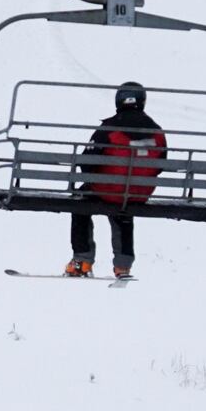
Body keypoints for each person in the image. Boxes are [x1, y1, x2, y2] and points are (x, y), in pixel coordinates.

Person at [64, 81, 168, 279]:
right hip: (139, 193)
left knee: (81, 200)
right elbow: (161, 165)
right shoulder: (157, 131)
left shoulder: (109, 128)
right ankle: (123, 265)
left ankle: (82, 260)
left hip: (107, 189)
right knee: (124, 208)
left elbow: (86, 163)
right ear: (143, 101)